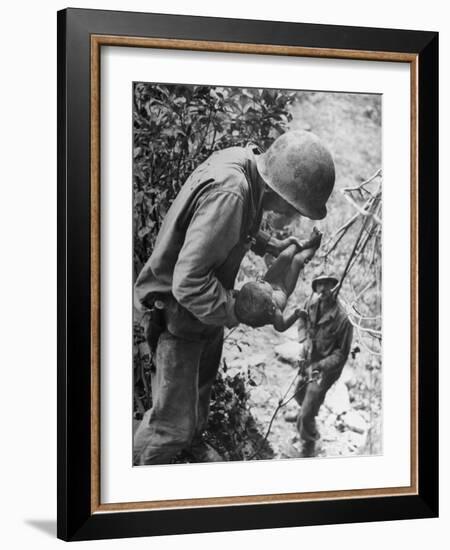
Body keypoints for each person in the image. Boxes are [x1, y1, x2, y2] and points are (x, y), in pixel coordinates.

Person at [133, 130, 336, 465]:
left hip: (201, 316)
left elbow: (235, 224)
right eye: (299, 208)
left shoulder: (248, 168)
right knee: (169, 426)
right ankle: (141, 485)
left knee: (198, 397)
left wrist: (270, 245)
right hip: (178, 316)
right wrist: (239, 309)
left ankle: (189, 448)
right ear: (283, 195)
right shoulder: (232, 193)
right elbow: (189, 283)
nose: (297, 217)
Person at [294, 274, 354, 457]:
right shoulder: (311, 303)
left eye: (327, 285)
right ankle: (307, 414)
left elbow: (341, 354)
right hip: (309, 358)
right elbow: (301, 318)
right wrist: (303, 337)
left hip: (326, 369)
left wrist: (320, 366)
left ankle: (309, 440)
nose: (323, 290)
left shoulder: (343, 318)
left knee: (308, 406)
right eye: (319, 285)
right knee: (298, 393)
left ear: (335, 288)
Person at [234, 227, 322, 332]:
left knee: (285, 255)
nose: (260, 281)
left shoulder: (259, 297)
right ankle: (313, 247)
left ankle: (304, 243)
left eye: (259, 282)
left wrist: (237, 293)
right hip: (284, 288)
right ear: (271, 307)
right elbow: (281, 327)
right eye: (261, 283)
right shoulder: (275, 313)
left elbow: (241, 295)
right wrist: (295, 315)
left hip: (271, 281)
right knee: (298, 260)